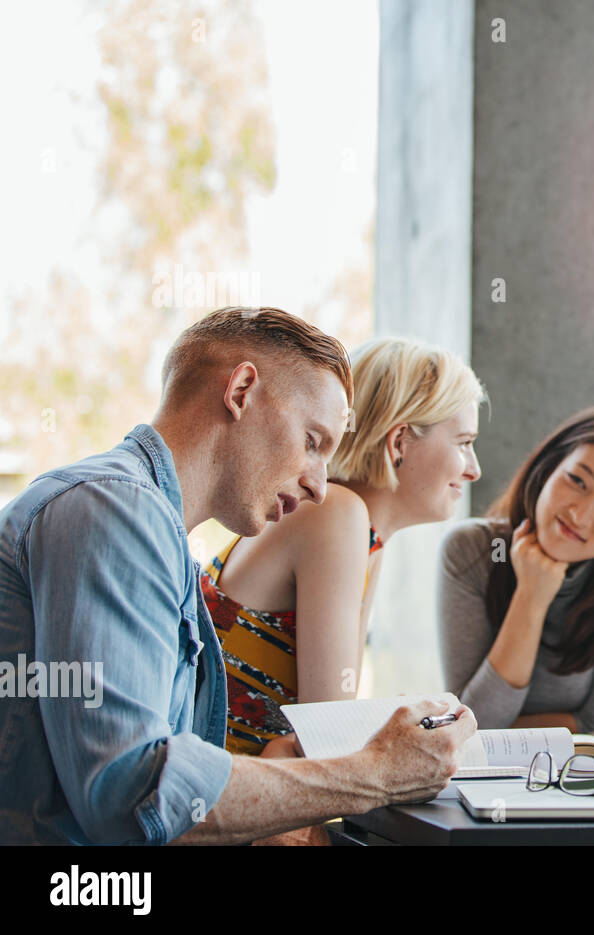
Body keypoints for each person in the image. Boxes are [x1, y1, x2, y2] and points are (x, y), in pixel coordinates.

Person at [0, 307, 476, 844]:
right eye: (313, 441)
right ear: (242, 390)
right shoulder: (114, 510)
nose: (321, 487)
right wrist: (379, 773)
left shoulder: (149, 527)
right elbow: (135, 796)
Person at [202, 337, 484, 755]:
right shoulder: (334, 513)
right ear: (400, 442)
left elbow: (327, 733)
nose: (474, 469)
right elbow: (327, 737)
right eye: (463, 442)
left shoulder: (365, 534)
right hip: (227, 797)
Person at [438, 403, 594, 733]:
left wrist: (491, 728)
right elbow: (472, 724)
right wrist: (531, 595)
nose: (581, 515)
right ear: (549, 468)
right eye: (577, 480)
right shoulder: (470, 551)